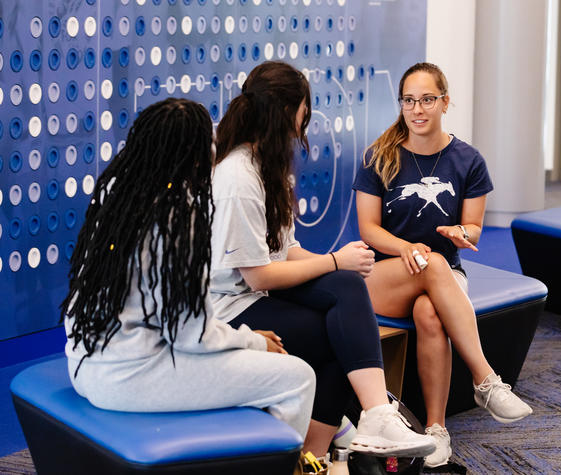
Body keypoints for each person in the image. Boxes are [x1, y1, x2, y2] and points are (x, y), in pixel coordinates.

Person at [210, 61, 436, 461]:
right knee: (335, 329)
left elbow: (286, 250)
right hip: (229, 309)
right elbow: (258, 273)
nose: (304, 126)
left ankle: (368, 422)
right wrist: (334, 261)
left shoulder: (270, 167)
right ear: (285, 114)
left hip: (257, 293)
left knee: (346, 289)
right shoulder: (237, 177)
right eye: (303, 115)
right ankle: (323, 450)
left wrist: (338, 266)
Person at [62, 98, 317, 439]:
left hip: (84, 364)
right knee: (298, 377)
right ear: (198, 155)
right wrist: (250, 341)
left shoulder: (115, 192)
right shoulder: (178, 214)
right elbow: (189, 334)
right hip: (132, 377)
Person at [353, 62, 533, 468]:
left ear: (445, 102)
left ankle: (436, 429)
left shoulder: (468, 160)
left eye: (428, 100)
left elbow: (474, 230)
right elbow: (368, 229)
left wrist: (460, 235)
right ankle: (485, 380)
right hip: (385, 276)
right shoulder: (378, 156)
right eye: (409, 101)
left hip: (444, 276)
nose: (418, 110)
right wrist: (405, 248)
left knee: (430, 311)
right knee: (431, 265)